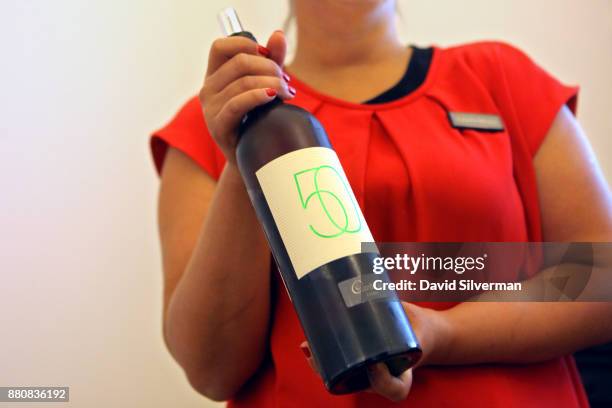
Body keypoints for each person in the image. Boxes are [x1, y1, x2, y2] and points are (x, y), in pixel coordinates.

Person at [150, 1, 612, 406]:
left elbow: (602, 277)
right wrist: (244, 154)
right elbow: (211, 368)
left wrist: (443, 334)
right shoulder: (211, 125)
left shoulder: (502, 79)